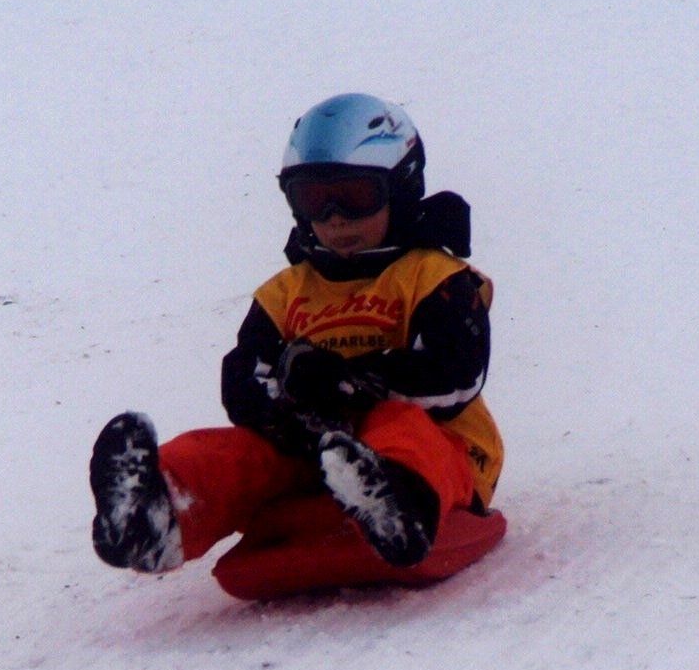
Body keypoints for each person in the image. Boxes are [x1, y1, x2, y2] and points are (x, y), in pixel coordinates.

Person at [89, 92, 503, 583]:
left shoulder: (434, 278)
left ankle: (394, 502)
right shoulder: (284, 294)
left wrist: (349, 383)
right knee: (240, 453)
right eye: (313, 200)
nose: (334, 218)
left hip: (443, 453)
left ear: (402, 188)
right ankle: (158, 512)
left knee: (399, 424)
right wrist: (290, 403)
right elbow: (242, 384)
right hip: (320, 454)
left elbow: (456, 376)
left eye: (354, 197)